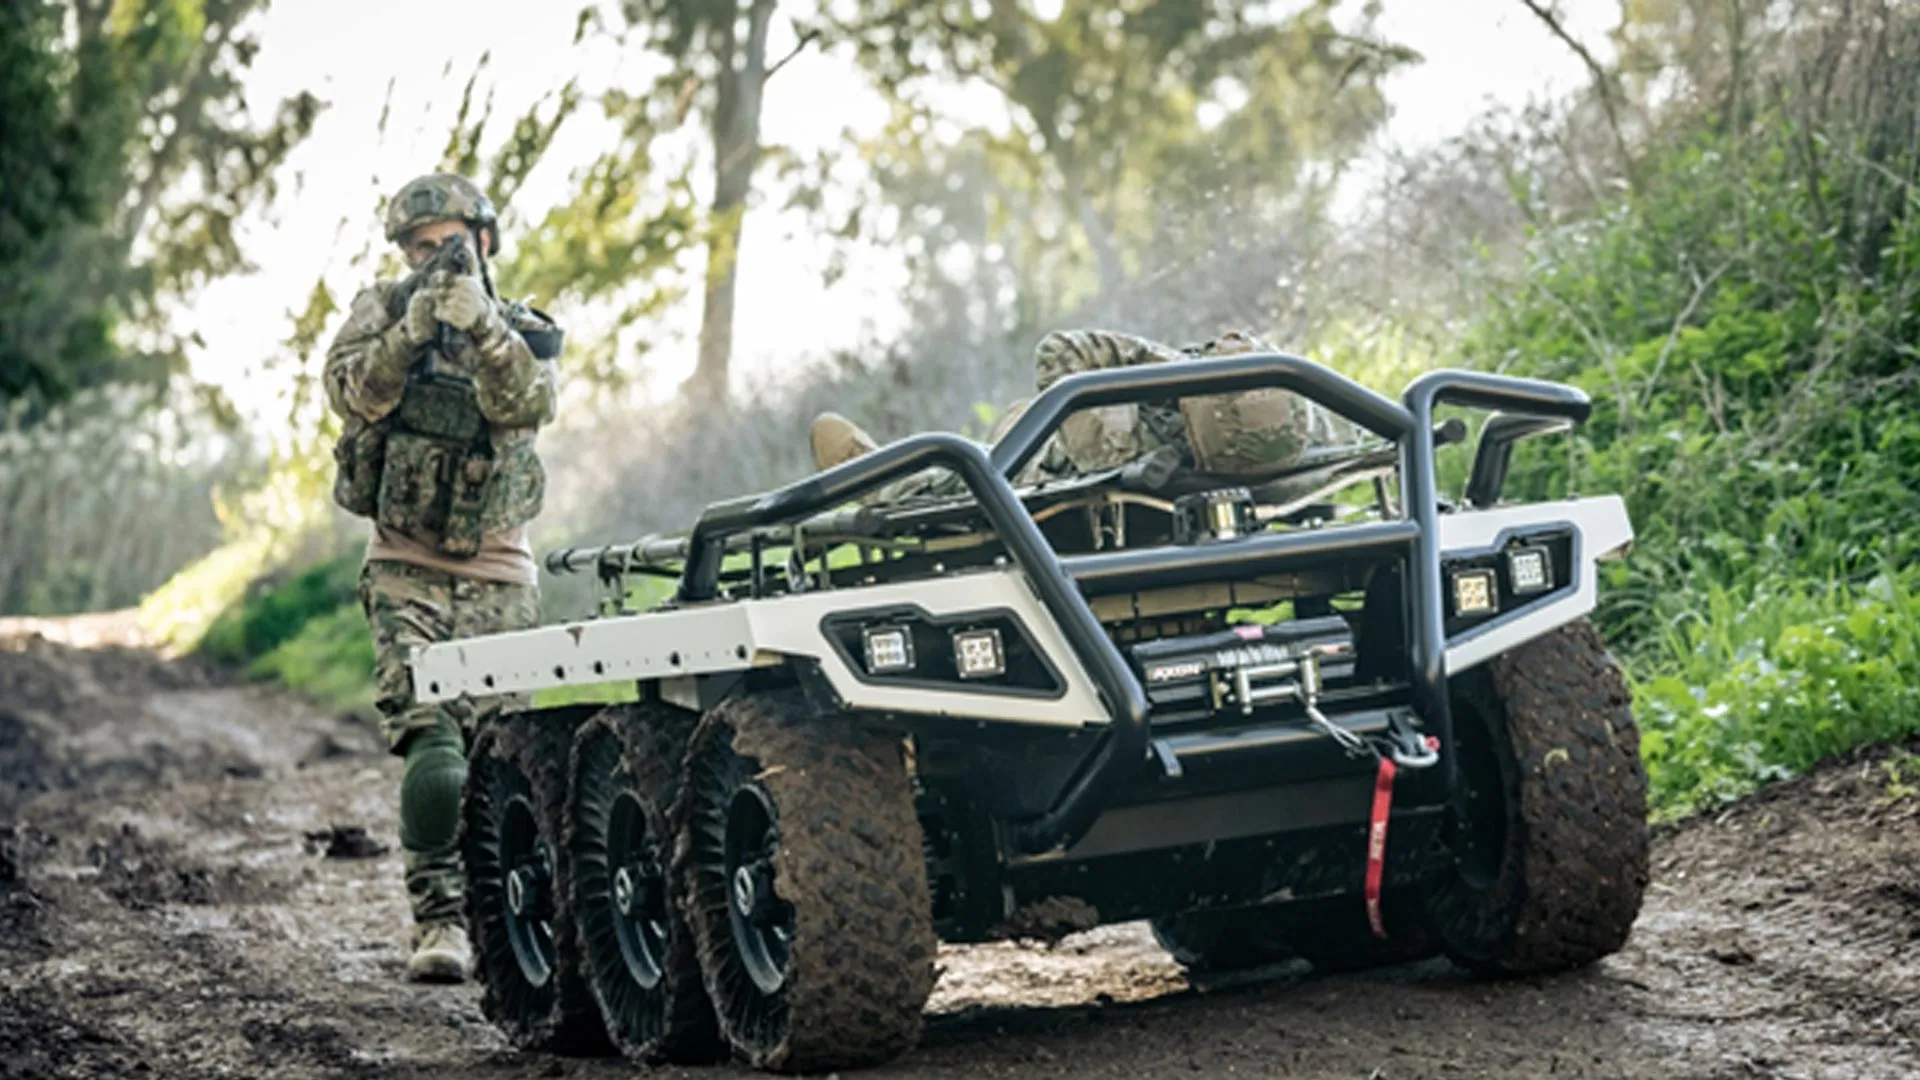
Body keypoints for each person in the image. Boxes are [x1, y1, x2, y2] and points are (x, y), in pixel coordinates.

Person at [323, 172, 563, 983]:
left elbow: (529, 405)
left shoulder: (521, 325)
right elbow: (349, 393)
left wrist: (486, 332)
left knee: (506, 755)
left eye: (450, 243)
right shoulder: (382, 311)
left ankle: (518, 928)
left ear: (484, 239)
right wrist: (410, 332)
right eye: (419, 248)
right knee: (433, 742)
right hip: (404, 565)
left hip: (500, 570)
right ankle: (441, 924)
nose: (435, 258)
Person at [809, 327, 1361, 485]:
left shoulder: (1118, 444)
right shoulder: (1294, 447)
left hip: (1024, 462)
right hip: (1046, 441)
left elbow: (1060, 349)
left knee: (950, 471)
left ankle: (879, 476)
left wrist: (1167, 365)